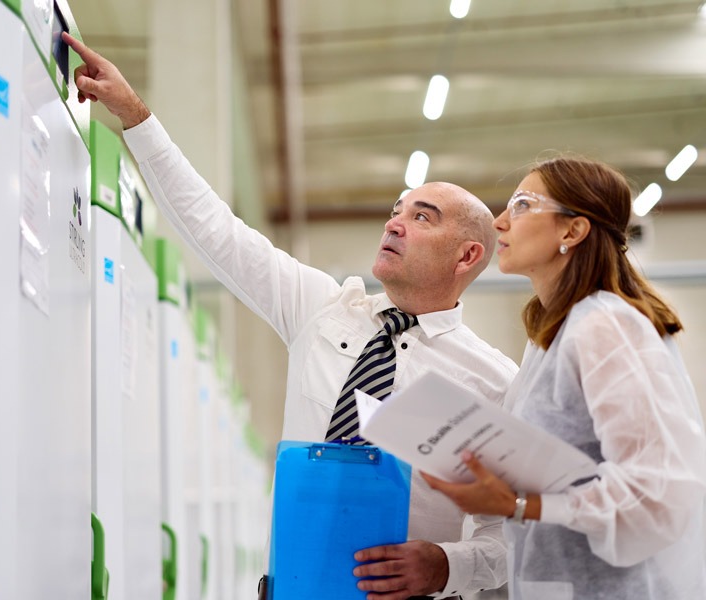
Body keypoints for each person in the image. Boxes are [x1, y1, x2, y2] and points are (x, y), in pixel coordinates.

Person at [62, 32, 518, 599]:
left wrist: (447, 565)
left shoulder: (495, 383)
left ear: (468, 256)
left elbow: (511, 541)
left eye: (423, 218)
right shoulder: (323, 311)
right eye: (396, 211)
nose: (394, 224)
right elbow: (215, 230)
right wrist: (135, 116)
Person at [422, 156, 706, 599]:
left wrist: (516, 504)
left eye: (521, 205)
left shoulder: (606, 325)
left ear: (573, 231)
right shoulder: (553, 335)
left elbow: (658, 494)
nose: (499, 222)